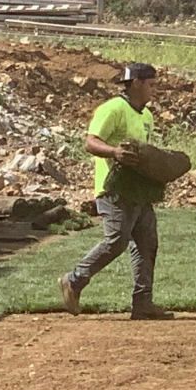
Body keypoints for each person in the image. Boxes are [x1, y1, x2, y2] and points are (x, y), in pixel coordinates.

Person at [60, 63, 171, 320]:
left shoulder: (146, 116)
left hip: (138, 191)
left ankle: (142, 302)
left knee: (146, 244)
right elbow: (90, 141)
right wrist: (114, 152)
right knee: (117, 240)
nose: (154, 90)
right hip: (113, 189)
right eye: (151, 84)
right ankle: (74, 280)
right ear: (136, 83)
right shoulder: (113, 109)